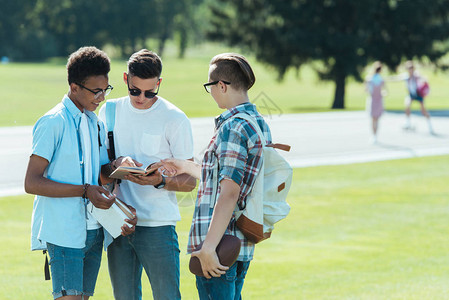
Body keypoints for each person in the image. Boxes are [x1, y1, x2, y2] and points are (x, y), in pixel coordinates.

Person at [153, 53, 272, 299]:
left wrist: (207, 247)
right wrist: (183, 166)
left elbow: (229, 192)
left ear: (221, 85)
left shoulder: (232, 128)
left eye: (210, 87)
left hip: (218, 247)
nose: (211, 92)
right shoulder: (258, 123)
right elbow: (227, 178)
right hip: (239, 245)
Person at [25, 46, 136, 300]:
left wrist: (122, 168)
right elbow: (31, 182)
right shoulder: (53, 122)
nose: (102, 98)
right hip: (63, 232)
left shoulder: (95, 123)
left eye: (106, 90)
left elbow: (99, 176)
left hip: (95, 229)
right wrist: (85, 191)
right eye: (96, 91)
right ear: (74, 87)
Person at [98, 49, 196, 300]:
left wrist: (160, 181)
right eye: (135, 90)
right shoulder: (108, 111)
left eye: (150, 92)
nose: (141, 98)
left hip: (158, 226)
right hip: (118, 222)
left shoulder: (175, 118)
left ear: (159, 83)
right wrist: (118, 164)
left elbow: (190, 181)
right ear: (125, 79)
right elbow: (98, 169)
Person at [401, 61, 433, 133]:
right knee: (407, 105)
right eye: (409, 68)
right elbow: (396, 78)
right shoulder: (406, 76)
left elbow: (424, 79)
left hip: (418, 94)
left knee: (423, 111)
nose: (410, 70)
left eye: (411, 68)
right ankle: (408, 123)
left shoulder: (416, 75)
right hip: (411, 94)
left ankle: (429, 125)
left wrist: (422, 80)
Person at [364, 61, 386, 143]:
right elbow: (384, 91)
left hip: (375, 100)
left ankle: (374, 135)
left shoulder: (371, 79)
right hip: (376, 100)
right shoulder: (375, 79)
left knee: (374, 119)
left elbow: (366, 90)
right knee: (376, 119)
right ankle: (374, 135)